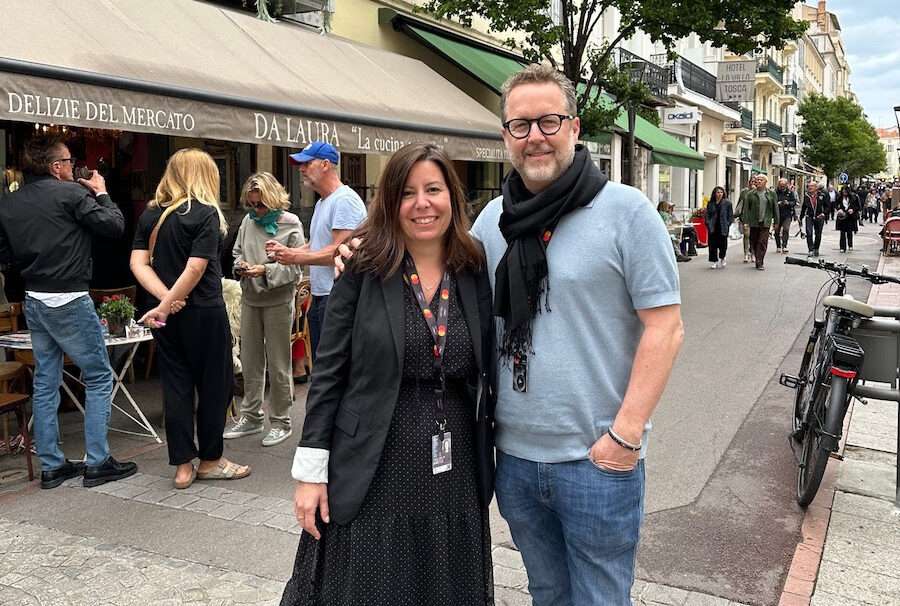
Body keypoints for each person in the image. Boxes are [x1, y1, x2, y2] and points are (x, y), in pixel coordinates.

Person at [334, 65, 684, 605]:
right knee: (547, 592)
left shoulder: (627, 213)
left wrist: (625, 436)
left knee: (600, 597)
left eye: (548, 121)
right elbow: (432, 258)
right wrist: (359, 248)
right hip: (513, 459)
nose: (535, 137)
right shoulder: (494, 218)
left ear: (575, 126)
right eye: (520, 126)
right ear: (505, 137)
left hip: (595, 458)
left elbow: (665, 326)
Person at [282, 143, 495, 606]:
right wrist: (311, 472)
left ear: (451, 198)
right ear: (390, 202)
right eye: (407, 192)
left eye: (433, 189)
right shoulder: (363, 264)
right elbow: (329, 371)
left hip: (453, 465)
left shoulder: (473, 264)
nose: (422, 203)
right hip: (373, 460)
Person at [0, 136, 137, 489]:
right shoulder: (71, 194)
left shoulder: (9, 203)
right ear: (55, 167)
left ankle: (52, 465)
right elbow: (114, 226)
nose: (74, 166)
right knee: (98, 375)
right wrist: (101, 191)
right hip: (69, 296)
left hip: (35, 297)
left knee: (46, 379)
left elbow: (5, 254)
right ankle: (98, 460)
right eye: (69, 161)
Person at [131, 148, 250, 489]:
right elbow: (196, 268)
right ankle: (211, 460)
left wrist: (163, 302)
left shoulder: (151, 214)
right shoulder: (205, 214)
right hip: (204, 312)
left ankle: (183, 465)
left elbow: (139, 263)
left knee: (176, 387)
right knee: (215, 385)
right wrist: (170, 301)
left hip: (168, 317)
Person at [265, 141, 366, 362]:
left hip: (338, 296)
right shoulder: (323, 202)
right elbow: (316, 245)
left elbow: (338, 253)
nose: (301, 169)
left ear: (325, 164)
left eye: (307, 163)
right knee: (323, 366)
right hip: (322, 295)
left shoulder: (345, 201)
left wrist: (293, 257)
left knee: (333, 367)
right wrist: (286, 253)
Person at [224, 173, 305, 447]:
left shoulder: (291, 223)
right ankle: (251, 416)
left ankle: (281, 421)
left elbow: (296, 267)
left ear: (273, 200)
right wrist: (240, 266)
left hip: (278, 300)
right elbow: (236, 252)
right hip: (250, 298)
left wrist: (264, 270)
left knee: (279, 364)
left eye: (261, 205)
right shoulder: (248, 221)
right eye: (252, 204)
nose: (256, 210)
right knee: (250, 362)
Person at [744, 174, 778, 270]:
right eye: (757, 180)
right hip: (754, 221)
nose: (758, 181)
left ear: (765, 182)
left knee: (762, 242)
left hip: (765, 222)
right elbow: (746, 209)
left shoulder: (771, 194)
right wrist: (746, 222)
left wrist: (776, 221)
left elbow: (775, 208)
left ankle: (760, 262)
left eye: (761, 180)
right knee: (754, 241)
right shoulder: (750, 194)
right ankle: (755, 254)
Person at [705, 186, 733, 269]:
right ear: (714, 193)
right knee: (712, 245)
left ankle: (722, 257)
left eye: (721, 192)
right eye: (718, 192)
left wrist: (728, 224)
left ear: (723, 193)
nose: (719, 194)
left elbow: (730, 216)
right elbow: (707, 215)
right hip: (713, 227)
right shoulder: (710, 203)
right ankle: (714, 261)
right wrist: (708, 223)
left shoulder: (727, 203)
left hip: (723, 226)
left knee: (723, 245)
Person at [799, 181, 829, 257]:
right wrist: (801, 218)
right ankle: (810, 249)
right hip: (809, 216)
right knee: (809, 233)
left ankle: (816, 248)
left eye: (811, 186)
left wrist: (824, 213)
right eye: (809, 186)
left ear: (816, 188)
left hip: (819, 217)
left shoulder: (822, 195)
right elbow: (804, 207)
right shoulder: (806, 196)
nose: (809, 188)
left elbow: (827, 206)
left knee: (818, 234)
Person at [734, 175, 757, 263]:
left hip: (755, 218)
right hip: (745, 217)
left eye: (755, 182)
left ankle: (753, 253)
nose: (753, 183)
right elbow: (740, 203)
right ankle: (746, 254)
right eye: (752, 181)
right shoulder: (744, 192)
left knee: (753, 236)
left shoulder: (758, 192)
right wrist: (736, 214)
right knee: (746, 235)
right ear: (749, 182)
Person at [835, 184, 861, 253]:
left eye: (846, 192)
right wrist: (839, 209)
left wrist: (853, 210)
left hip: (850, 217)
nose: (844, 193)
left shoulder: (854, 197)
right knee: (842, 232)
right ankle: (842, 247)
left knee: (849, 232)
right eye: (843, 192)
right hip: (842, 217)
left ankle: (850, 245)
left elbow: (858, 207)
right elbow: (836, 205)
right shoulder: (839, 197)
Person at [774, 178, 797, 253]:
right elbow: (772, 202)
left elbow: (794, 202)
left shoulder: (790, 192)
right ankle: (778, 245)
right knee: (776, 230)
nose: (782, 187)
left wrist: (788, 203)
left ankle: (784, 245)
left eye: (784, 186)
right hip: (777, 214)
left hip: (787, 214)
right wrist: (778, 203)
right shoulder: (775, 192)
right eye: (781, 186)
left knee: (786, 229)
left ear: (786, 185)